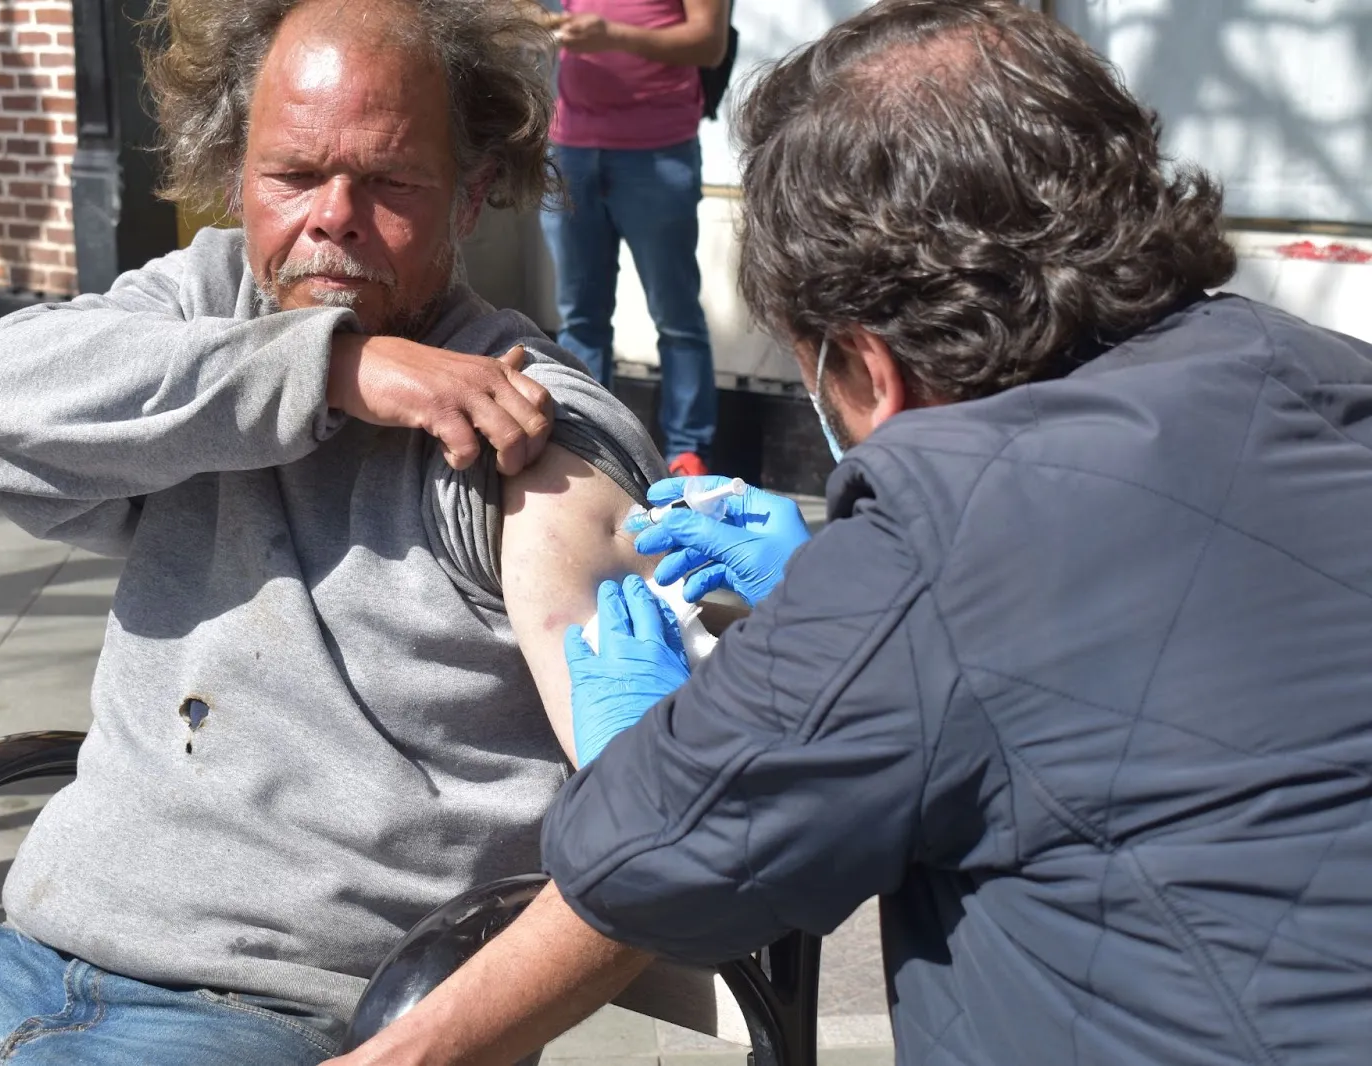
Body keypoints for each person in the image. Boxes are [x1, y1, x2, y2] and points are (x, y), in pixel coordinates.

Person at [325, 2, 1372, 1064]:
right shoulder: (1330, 379)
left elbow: (652, 857)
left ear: (868, 366)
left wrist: (645, 748)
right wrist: (841, 584)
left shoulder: (934, 538)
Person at [0, 2, 671, 1064]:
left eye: (390, 182)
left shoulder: (525, 428)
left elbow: (662, 822)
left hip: (276, 1011)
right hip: (16, 964)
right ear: (235, 173)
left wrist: (423, 1051)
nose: (333, 219)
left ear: (474, 191)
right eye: (292, 176)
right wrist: (337, 367)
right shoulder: (212, 302)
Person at [538, 0, 731, 478]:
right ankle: (588, 450)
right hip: (571, 148)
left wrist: (614, 35)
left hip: (658, 152)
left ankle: (687, 454)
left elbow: (709, 42)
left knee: (676, 316)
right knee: (580, 320)